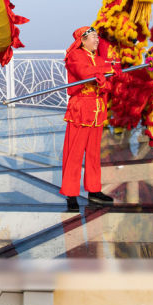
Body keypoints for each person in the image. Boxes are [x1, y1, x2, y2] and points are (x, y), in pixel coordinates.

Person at [59, 25, 120, 212]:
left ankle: (94, 190)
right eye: (93, 37)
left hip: (97, 110)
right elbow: (85, 73)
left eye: (96, 37)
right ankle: (71, 193)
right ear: (83, 40)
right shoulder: (75, 56)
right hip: (80, 110)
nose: (96, 40)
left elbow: (109, 74)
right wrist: (103, 72)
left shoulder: (98, 58)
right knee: (74, 154)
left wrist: (105, 72)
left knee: (94, 154)